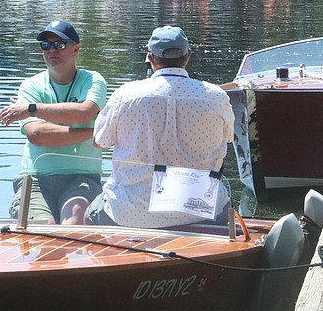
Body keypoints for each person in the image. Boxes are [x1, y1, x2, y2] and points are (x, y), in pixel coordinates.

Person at [88, 26, 234, 228]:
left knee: (91, 212)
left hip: (130, 212)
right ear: (188, 55)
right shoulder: (216, 96)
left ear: (151, 58)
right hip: (200, 210)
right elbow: (227, 138)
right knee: (223, 196)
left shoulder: (125, 95)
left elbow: (99, 141)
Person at [0, 20, 107, 223]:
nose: (51, 50)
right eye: (46, 45)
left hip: (82, 177)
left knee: (75, 216)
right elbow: (37, 136)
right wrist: (94, 132)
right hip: (35, 178)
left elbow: (84, 112)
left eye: (59, 44)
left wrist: (32, 109)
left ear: (76, 49)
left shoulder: (93, 80)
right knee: (43, 227)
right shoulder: (30, 86)